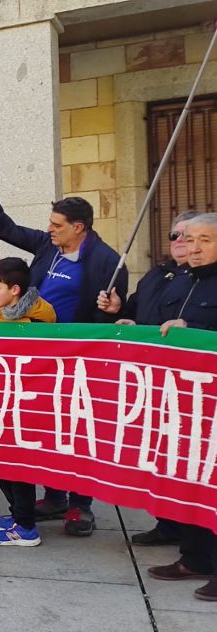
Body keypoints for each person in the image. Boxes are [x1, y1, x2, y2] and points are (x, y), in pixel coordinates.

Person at [0, 173, 127, 537]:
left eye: (57, 225)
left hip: (77, 356)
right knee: (44, 426)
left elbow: (116, 312)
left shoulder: (107, 261)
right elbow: (4, 228)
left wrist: (111, 307)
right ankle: (54, 494)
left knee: (76, 429)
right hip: (36, 353)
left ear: (79, 227)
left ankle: (80, 504)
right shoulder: (47, 246)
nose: (49, 229)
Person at [97, 210, 198, 547]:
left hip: (188, 385)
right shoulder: (157, 275)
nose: (182, 242)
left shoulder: (202, 278)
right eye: (176, 235)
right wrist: (117, 310)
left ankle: (195, 534)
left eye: (193, 236)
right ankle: (167, 523)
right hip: (149, 381)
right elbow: (135, 312)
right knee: (157, 453)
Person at [145, 214, 217, 601]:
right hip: (182, 404)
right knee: (188, 479)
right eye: (189, 240)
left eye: (205, 240)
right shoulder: (181, 280)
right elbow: (157, 325)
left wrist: (197, 333)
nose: (194, 247)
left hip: (214, 404)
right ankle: (195, 558)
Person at [0, 257, 56, 547]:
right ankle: (19, 514)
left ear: (15, 289)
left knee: (17, 463)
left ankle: (26, 527)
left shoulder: (41, 318)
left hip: (29, 400)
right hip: (4, 396)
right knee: (0, 461)